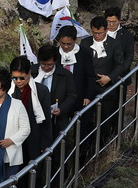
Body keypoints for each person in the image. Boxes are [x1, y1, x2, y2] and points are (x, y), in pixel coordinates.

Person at [80, 16, 125, 147]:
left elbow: (120, 65)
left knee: (105, 121)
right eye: (94, 33)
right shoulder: (85, 43)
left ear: (105, 30)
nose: (97, 36)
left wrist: (109, 77)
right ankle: (85, 151)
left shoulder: (114, 44)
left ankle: (104, 148)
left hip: (106, 89)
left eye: (100, 33)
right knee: (86, 122)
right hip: (88, 90)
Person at [8, 56, 53, 163]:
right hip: (14, 139)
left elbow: (46, 119)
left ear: (29, 73)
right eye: (14, 78)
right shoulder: (8, 92)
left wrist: (45, 143)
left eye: (22, 78)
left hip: (35, 138)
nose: (18, 81)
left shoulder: (41, 91)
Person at [33, 44, 78, 135]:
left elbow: (71, 96)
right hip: (35, 118)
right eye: (43, 64)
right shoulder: (31, 72)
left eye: (49, 65)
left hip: (57, 120)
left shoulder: (65, 75)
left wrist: (61, 109)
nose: (46, 67)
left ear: (55, 61)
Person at [55, 26, 95, 108]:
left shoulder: (84, 53)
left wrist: (88, 96)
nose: (65, 46)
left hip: (79, 95)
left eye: (69, 44)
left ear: (75, 40)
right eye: (62, 43)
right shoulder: (54, 53)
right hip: (59, 97)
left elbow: (90, 76)